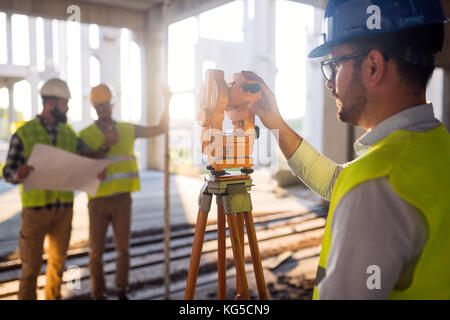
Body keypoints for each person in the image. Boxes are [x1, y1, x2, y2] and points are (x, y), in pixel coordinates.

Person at [241, 0, 450, 299]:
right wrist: (275, 122)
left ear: (373, 66)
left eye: (334, 65)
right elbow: (337, 182)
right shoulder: (434, 147)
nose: (329, 82)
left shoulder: (377, 186)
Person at [78, 84, 168, 300]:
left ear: (111, 105)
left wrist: (167, 102)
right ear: (94, 108)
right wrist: (106, 147)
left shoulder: (128, 129)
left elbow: (159, 128)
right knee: (96, 253)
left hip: (122, 200)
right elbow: (80, 163)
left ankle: (121, 290)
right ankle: (98, 294)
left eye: (105, 105)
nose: (103, 109)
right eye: (99, 106)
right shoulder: (85, 135)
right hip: (97, 201)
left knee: (123, 250)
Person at [2, 78, 78, 300]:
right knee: (30, 267)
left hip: (64, 209)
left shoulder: (69, 133)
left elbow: (83, 158)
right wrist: (18, 174)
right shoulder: (25, 133)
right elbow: (8, 171)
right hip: (35, 212)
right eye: (64, 103)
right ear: (51, 104)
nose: (67, 108)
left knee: (58, 264)